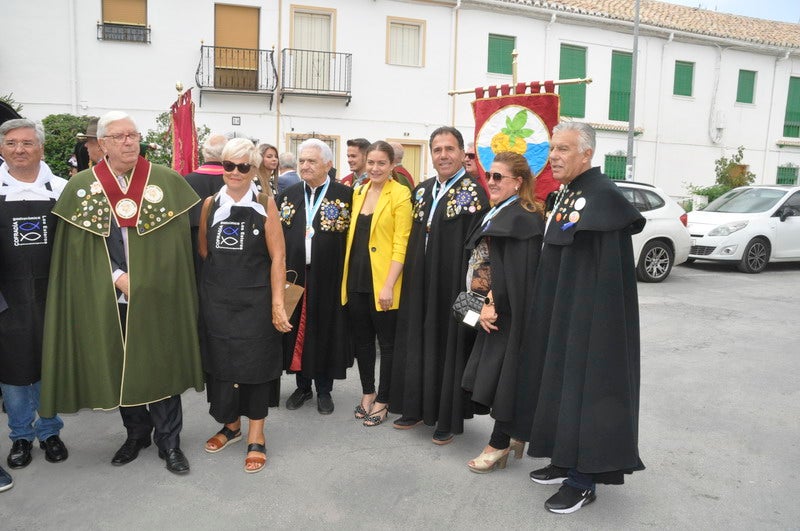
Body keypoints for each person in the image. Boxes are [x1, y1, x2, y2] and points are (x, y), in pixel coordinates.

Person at [39, 111, 204, 475]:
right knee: (121, 364)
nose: (129, 141)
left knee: (160, 363)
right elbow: (76, 254)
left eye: (133, 135)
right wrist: (114, 276)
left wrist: (150, 279)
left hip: (157, 295)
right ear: (102, 145)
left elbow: (179, 250)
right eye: (120, 136)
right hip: (108, 296)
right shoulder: (81, 187)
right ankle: (136, 433)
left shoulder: (166, 181)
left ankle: (169, 441)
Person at [525, 122, 645, 513]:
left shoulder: (603, 197)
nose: (554, 156)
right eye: (552, 148)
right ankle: (563, 460)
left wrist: (590, 324)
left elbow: (607, 277)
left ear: (586, 154)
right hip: (564, 312)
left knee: (586, 393)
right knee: (560, 386)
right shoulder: (569, 192)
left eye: (563, 149)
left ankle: (583, 481)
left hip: (591, 321)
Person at [197, 138, 291, 473]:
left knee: (255, 366)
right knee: (221, 364)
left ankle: (257, 436)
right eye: (228, 165)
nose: (235, 172)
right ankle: (231, 426)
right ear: (221, 166)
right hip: (218, 300)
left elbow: (278, 257)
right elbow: (205, 252)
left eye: (243, 166)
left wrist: (277, 303)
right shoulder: (210, 203)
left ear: (254, 169)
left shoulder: (265, 203)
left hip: (255, 302)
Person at [389, 126, 489, 444]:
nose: (443, 155)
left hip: (454, 287)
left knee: (451, 346)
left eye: (449, 149)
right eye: (437, 149)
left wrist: (476, 299)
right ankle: (416, 407)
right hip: (420, 284)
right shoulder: (422, 190)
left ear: (462, 153)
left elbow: (482, 252)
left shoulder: (474, 193)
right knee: (417, 342)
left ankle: (447, 417)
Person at [459, 151, 545, 472]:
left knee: (505, 380)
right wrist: (471, 309)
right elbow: (479, 266)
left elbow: (516, 274)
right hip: (483, 310)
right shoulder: (497, 212)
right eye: (489, 175)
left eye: (499, 177)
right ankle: (512, 437)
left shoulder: (522, 217)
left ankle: (499, 443)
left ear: (518, 182)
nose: (491, 181)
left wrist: (487, 307)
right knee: (489, 377)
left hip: (504, 316)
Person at [0, 119, 69, 472]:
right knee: (13, 372)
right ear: (1, 148)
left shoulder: (61, 189)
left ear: (40, 148)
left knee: (48, 365)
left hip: (52, 296)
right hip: (6, 299)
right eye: (11, 143)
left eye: (27, 143)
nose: (19, 150)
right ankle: (21, 436)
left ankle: (50, 431)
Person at [278, 139, 353, 414]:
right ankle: (302, 387)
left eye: (311, 161)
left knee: (325, 331)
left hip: (329, 276)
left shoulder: (345, 196)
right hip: (295, 276)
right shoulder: (288, 195)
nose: (305, 166)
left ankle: (324, 390)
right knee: (296, 330)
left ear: (328, 165)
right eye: (302, 161)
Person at [341, 141, 411, 427]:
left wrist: (388, 285)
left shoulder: (401, 194)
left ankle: (384, 399)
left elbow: (401, 243)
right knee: (362, 342)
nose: (375, 168)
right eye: (371, 162)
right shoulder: (359, 191)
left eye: (381, 163)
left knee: (387, 343)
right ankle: (367, 392)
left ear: (393, 165)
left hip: (384, 282)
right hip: (356, 279)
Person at [185, 133, 227, 278]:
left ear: (204, 152)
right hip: (227, 238)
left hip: (194, 241)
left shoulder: (187, 180)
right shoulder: (234, 180)